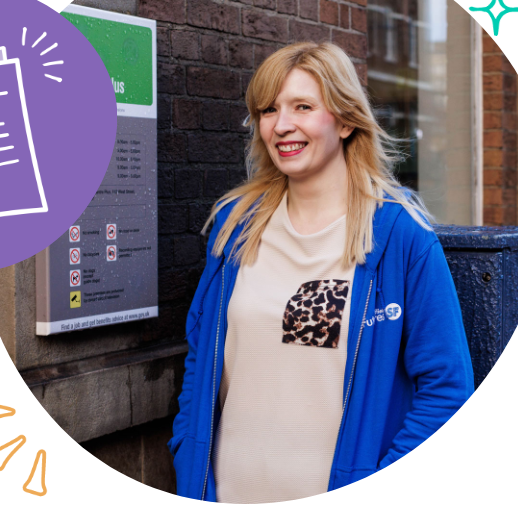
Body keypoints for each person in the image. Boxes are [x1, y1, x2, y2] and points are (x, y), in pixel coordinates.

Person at [167, 42, 474, 503]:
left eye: (303, 107)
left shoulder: (399, 235)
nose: (281, 125)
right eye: (269, 110)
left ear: (346, 121)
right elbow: (200, 356)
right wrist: (186, 455)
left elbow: (446, 390)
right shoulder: (235, 227)